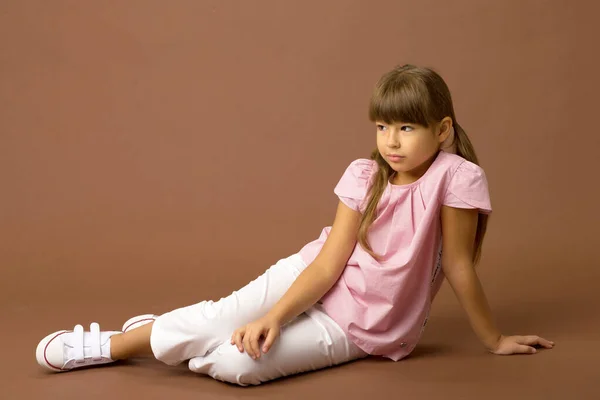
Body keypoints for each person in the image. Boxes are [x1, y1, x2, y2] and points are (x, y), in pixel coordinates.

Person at [35, 64, 554, 386]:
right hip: (309, 277)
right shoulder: (365, 174)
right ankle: (110, 345)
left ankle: (166, 331)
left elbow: (460, 265)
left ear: (441, 130)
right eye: (381, 126)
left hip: (365, 325)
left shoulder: (456, 178)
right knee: (223, 318)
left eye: (406, 127)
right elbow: (330, 264)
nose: (391, 141)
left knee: (236, 366)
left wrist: (493, 339)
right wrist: (278, 316)